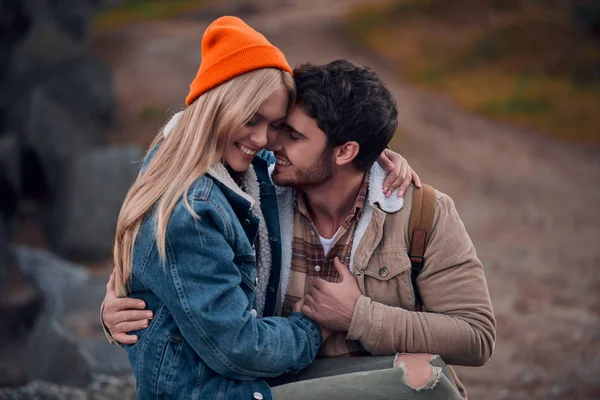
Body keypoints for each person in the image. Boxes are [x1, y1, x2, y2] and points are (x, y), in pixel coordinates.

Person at [105, 16, 420, 400]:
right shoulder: (192, 209)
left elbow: (319, 153)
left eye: (276, 125)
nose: (264, 140)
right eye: (252, 120)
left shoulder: (232, 166)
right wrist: (313, 325)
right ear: (218, 107)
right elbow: (238, 347)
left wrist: (372, 155)